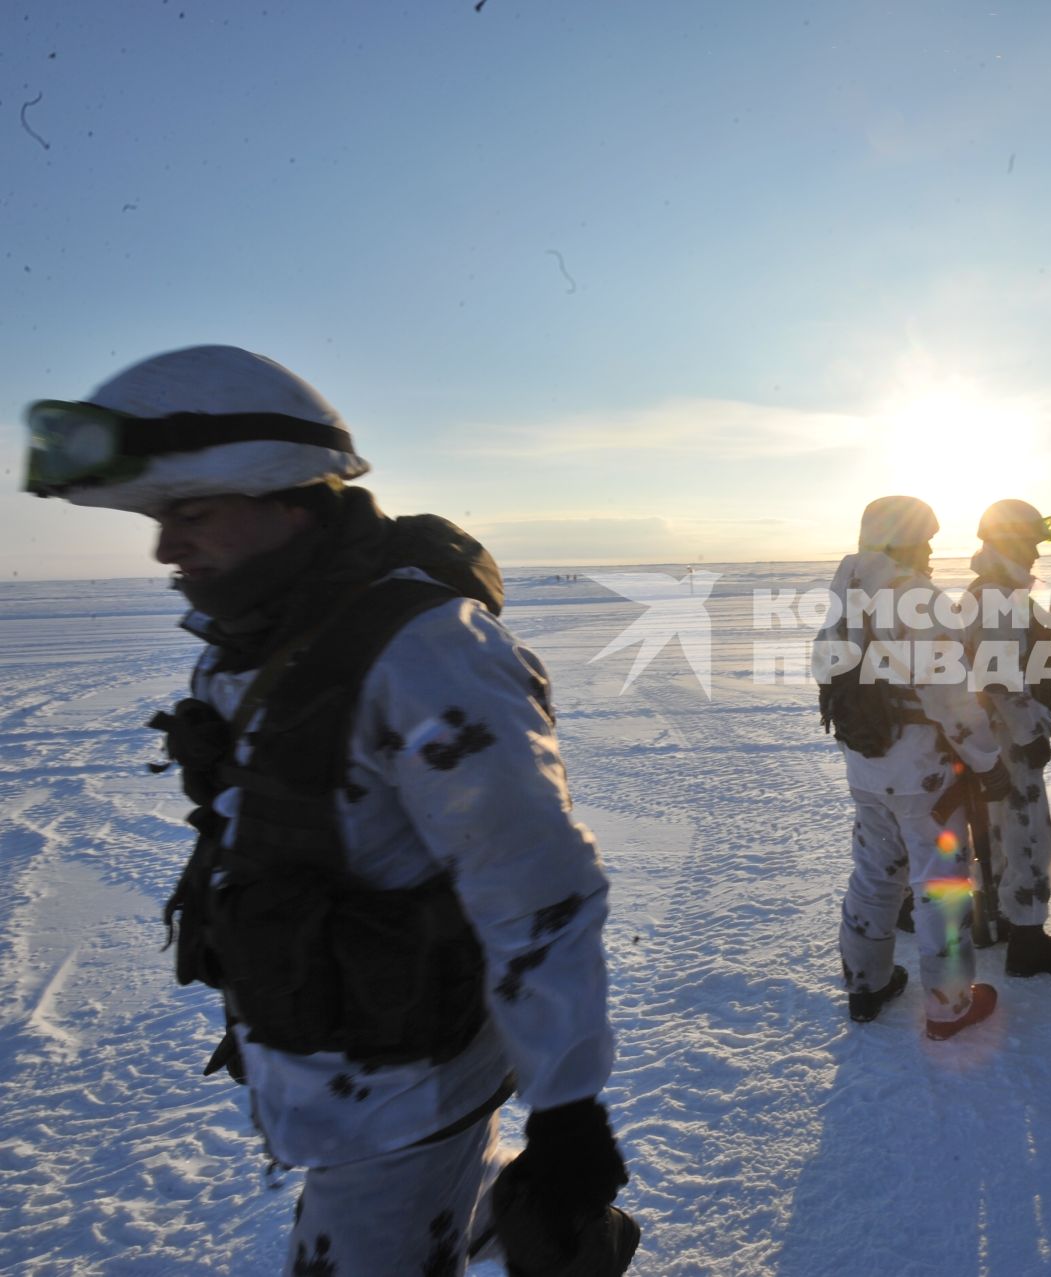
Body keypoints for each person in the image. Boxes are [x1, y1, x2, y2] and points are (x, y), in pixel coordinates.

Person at [21, 346, 636, 1275]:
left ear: (287, 499)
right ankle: (535, 1231)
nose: (165, 546)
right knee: (447, 1206)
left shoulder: (424, 652)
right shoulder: (254, 644)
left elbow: (538, 895)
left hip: (411, 1086)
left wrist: (568, 1112)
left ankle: (553, 1229)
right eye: (158, 516)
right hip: (333, 1069)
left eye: (191, 513)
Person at [815, 496, 1009, 1039]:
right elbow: (948, 693)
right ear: (899, 540)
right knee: (940, 882)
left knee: (876, 874)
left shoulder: (843, 592)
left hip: (867, 764)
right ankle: (950, 1007)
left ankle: (866, 984)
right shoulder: (913, 597)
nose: (928, 550)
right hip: (922, 770)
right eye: (922, 538)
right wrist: (987, 760)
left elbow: (826, 673)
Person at [964, 499, 1051, 977]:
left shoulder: (991, 591)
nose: (1036, 551)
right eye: (1031, 541)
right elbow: (997, 677)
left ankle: (991, 921)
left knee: (996, 833)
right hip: (1007, 736)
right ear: (1008, 540)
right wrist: (1029, 729)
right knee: (1029, 837)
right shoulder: (997, 597)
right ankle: (1029, 941)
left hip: (988, 734)